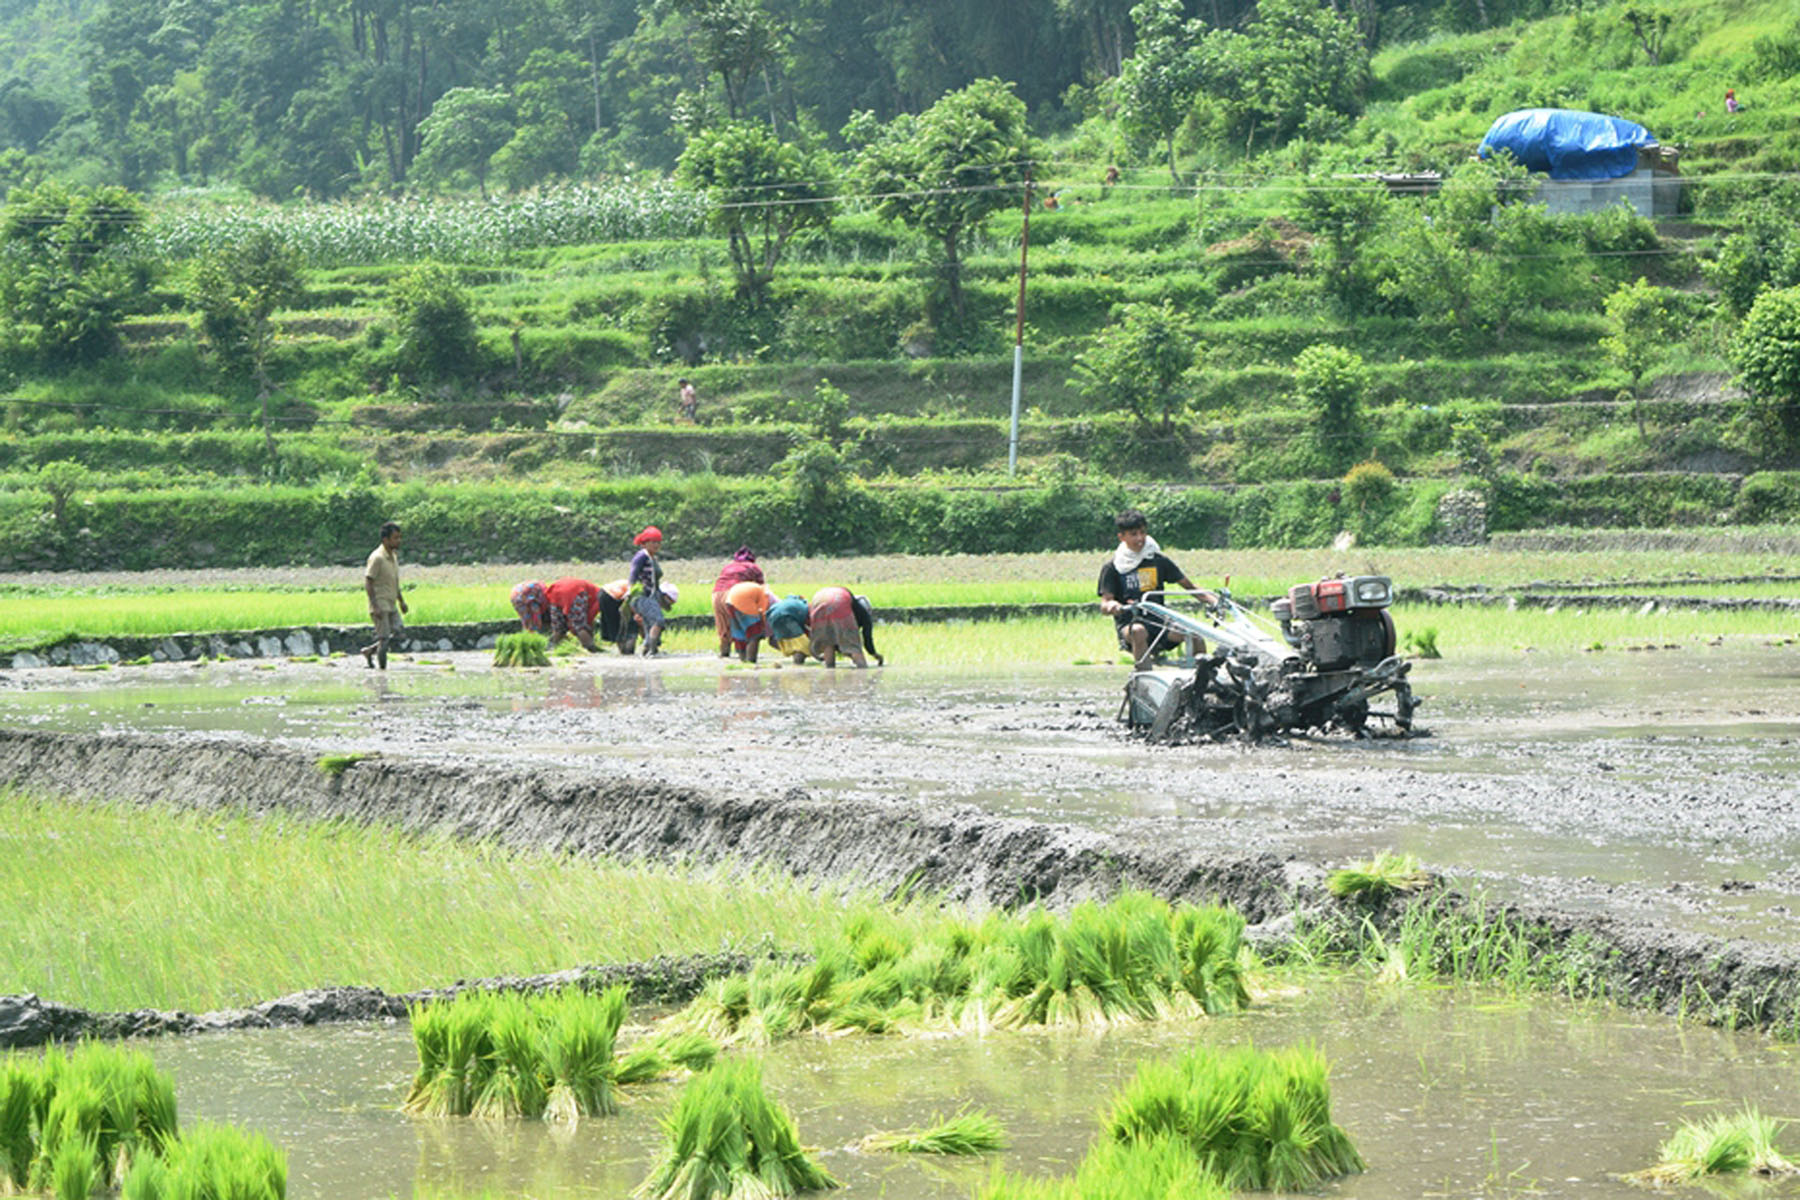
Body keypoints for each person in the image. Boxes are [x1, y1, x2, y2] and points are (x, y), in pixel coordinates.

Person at [1097, 509, 1216, 670]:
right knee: (1138, 631)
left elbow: (1190, 587)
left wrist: (1214, 601)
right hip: (1131, 624)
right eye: (1133, 534)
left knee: (1194, 633)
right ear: (1122, 537)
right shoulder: (1113, 568)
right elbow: (1105, 603)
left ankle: (1204, 678)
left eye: (1142, 533)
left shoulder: (1158, 560)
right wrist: (1113, 606)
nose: (1140, 539)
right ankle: (1144, 677)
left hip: (1160, 622)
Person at [513, 578, 613, 651]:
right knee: (579, 625)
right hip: (575, 592)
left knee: (559, 628)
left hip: (553, 594)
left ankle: (549, 647)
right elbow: (584, 622)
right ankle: (592, 649)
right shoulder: (598, 595)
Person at [360, 521, 407, 670]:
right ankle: (382, 672)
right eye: (395, 538)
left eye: (399, 537)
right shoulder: (377, 558)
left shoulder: (393, 556)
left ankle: (370, 651)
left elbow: (394, 581)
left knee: (399, 632)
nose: (398, 541)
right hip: (380, 604)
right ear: (385, 540)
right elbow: (368, 581)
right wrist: (374, 606)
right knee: (385, 639)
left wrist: (402, 601)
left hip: (391, 603)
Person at [807, 587, 884, 669]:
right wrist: (874, 654)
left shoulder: (851, 602)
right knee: (854, 648)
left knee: (828, 643)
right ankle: (862, 671)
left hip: (818, 599)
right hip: (838, 601)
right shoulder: (863, 614)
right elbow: (867, 639)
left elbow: (836, 638)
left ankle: (829, 672)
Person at [711, 547, 765, 658]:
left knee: (724, 626)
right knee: (745, 626)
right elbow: (761, 588)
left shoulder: (728, 567)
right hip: (734, 594)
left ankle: (724, 654)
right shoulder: (753, 567)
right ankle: (746, 656)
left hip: (716, 594)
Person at [627, 526, 669, 655]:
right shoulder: (641, 556)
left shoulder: (652, 558)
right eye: (653, 542)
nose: (657, 545)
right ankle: (650, 650)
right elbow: (633, 574)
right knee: (658, 621)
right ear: (644, 543)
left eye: (658, 542)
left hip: (651, 596)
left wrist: (661, 598)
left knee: (649, 623)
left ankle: (648, 649)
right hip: (642, 596)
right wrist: (630, 591)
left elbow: (655, 582)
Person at [723, 580, 777, 663]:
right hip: (743, 599)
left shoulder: (763, 592)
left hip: (730, 600)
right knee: (755, 634)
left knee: (740, 633)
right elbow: (763, 613)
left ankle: (743, 660)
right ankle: (751, 660)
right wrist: (766, 632)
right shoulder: (769, 598)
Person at [766, 593, 811, 663]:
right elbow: (808, 626)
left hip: (772, 616)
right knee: (803, 647)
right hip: (786, 616)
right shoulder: (805, 606)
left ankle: (794, 654)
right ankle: (798, 667)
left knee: (794, 643)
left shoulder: (788, 602)